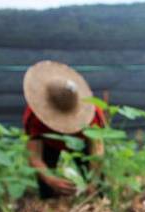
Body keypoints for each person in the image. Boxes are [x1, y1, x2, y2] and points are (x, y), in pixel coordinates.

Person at [22, 61, 105, 199]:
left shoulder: (92, 113)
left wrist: (93, 182)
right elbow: (34, 155)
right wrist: (50, 179)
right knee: (47, 191)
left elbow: (97, 151)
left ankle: (97, 198)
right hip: (49, 144)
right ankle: (49, 200)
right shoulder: (35, 115)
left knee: (98, 191)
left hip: (82, 144)